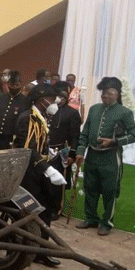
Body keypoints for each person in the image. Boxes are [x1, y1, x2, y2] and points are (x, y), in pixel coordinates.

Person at [75, 77, 135, 236]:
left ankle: (107, 222)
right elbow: (85, 132)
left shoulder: (125, 112)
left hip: (110, 157)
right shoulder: (94, 109)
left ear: (117, 95)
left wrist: (114, 142)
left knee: (110, 190)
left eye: (110, 93)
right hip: (92, 156)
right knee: (90, 188)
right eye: (104, 93)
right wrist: (80, 151)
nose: (106, 96)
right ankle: (90, 218)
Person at [14, 83, 67, 267]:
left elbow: (38, 143)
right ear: (41, 100)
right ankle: (23, 251)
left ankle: (40, 250)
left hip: (39, 170)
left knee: (45, 210)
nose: (55, 103)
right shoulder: (27, 118)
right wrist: (47, 168)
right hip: (30, 173)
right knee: (30, 213)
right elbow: (27, 149)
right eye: (52, 99)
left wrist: (48, 152)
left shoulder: (41, 116)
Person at [48, 82, 81, 219]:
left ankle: (56, 209)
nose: (60, 98)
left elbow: (75, 136)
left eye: (63, 96)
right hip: (45, 150)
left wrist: (72, 154)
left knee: (57, 182)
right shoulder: (49, 110)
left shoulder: (72, 113)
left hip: (61, 151)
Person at [0, 71, 27, 150]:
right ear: (8, 84)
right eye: (12, 85)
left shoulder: (25, 100)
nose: (14, 87)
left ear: (21, 84)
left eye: (17, 85)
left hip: (13, 139)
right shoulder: (0, 98)